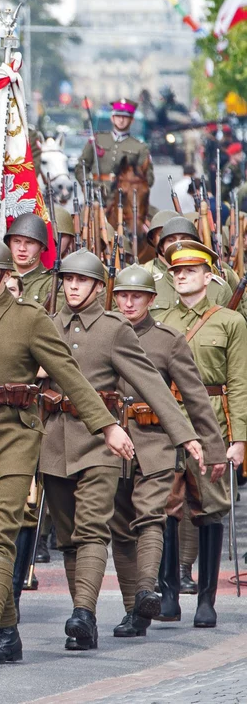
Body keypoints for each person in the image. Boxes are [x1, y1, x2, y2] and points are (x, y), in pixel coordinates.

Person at [0, 237, 133, 668]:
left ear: (7, 275)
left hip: (13, 440)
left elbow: (70, 376)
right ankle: (8, 630)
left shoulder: (30, 319)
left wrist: (107, 426)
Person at [39, 250, 198, 651]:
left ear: (96, 287)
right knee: (68, 537)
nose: (72, 287)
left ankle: (84, 613)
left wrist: (184, 434)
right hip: (54, 441)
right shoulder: (47, 324)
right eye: (68, 280)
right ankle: (84, 620)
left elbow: (150, 382)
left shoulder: (113, 329)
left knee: (93, 529)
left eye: (81, 280)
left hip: (98, 443)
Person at [109, 265, 222, 638]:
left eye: (136, 296)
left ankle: (151, 592)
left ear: (151, 300)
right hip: (110, 445)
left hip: (154, 442)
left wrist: (213, 447)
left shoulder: (168, 339)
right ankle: (134, 608)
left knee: (149, 518)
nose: (127, 302)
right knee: (119, 528)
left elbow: (195, 398)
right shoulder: (104, 333)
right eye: (122, 295)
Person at [154, 239, 247, 628]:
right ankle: (169, 594)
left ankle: (206, 600)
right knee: (165, 507)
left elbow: (238, 382)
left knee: (209, 508)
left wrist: (239, 438)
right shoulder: (160, 323)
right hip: (165, 421)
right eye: (176, 271)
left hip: (211, 421)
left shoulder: (231, 323)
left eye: (190, 270)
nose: (182, 276)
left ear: (209, 276)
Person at [75, 99, 154, 202]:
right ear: (112, 118)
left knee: (155, 216)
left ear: (132, 120)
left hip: (126, 198)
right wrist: (86, 184)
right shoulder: (97, 140)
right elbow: (81, 166)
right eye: (118, 116)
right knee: (82, 217)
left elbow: (148, 178)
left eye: (125, 117)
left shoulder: (140, 147)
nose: (121, 120)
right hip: (96, 194)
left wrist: (132, 187)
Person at [4, 213, 54, 306]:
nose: (22, 248)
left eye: (30, 242)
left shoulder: (52, 284)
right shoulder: (0, 277)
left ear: (42, 247)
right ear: (9, 243)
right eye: (17, 241)